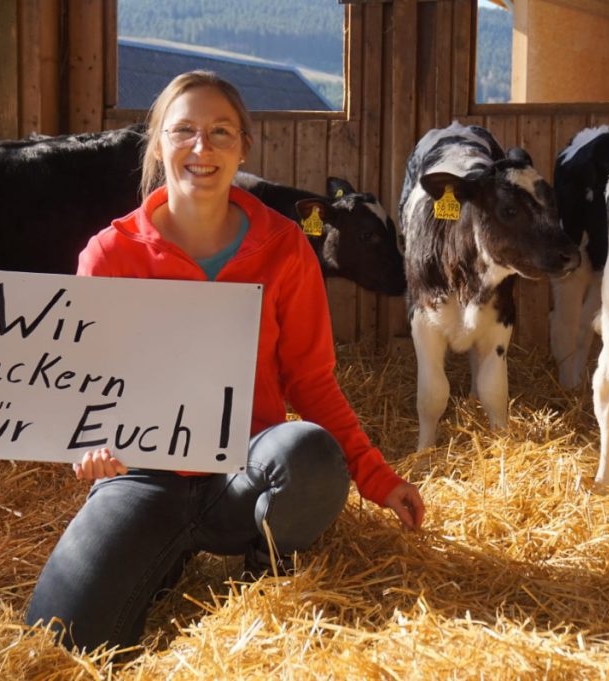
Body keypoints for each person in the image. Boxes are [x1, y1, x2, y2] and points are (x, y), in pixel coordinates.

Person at [25, 70, 425, 651]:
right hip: (143, 475)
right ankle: (163, 553)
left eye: (219, 131)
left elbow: (312, 383)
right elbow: (82, 392)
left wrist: (377, 478)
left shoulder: (286, 247)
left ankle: (266, 562)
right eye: (183, 130)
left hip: (246, 470)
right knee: (60, 639)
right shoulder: (110, 253)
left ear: (243, 146)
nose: (201, 147)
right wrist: (84, 448)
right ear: (158, 143)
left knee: (308, 453)